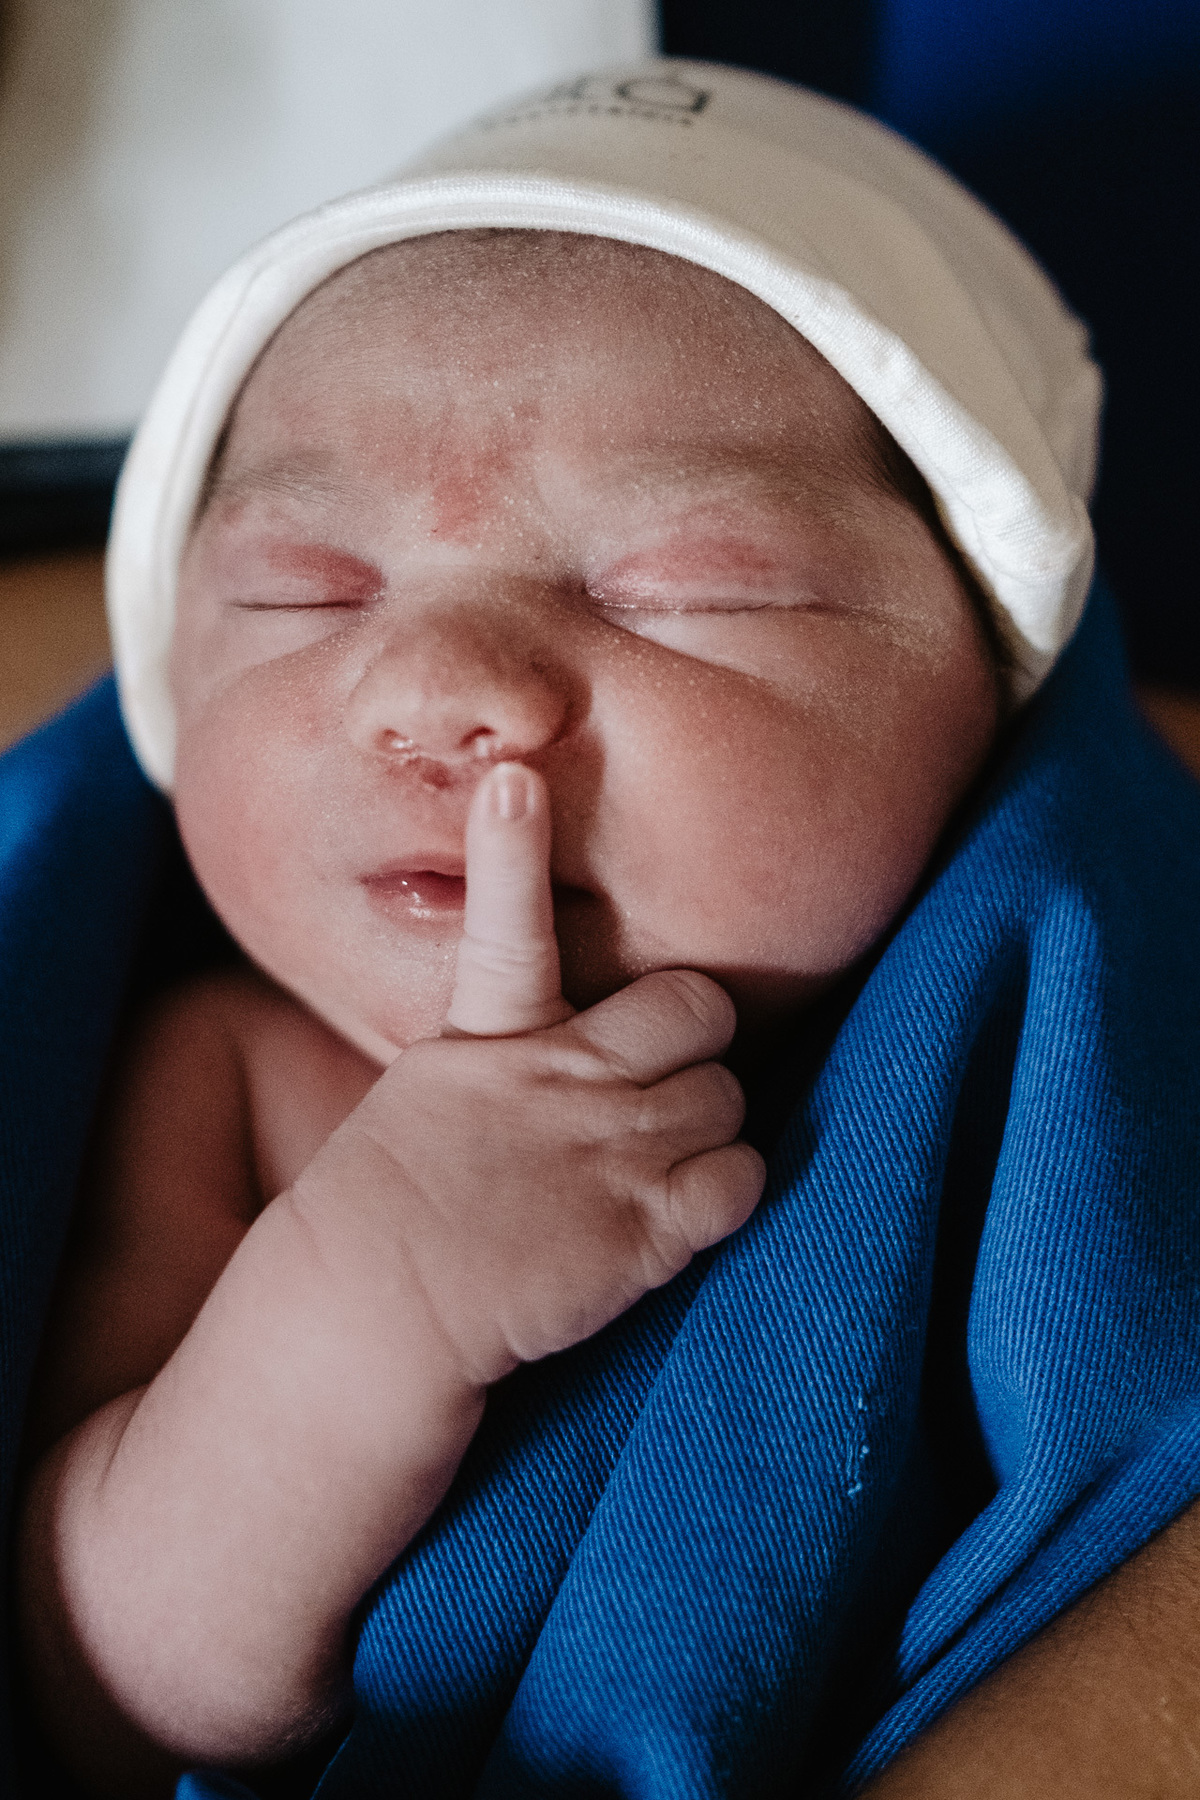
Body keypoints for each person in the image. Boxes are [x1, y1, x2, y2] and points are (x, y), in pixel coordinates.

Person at [14, 58, 1200, 1800]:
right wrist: (372, 1287)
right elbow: (93, 1677)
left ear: (990, 689)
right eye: (307, 590)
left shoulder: (1062, 1039)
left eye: (684, 588)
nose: (439, 687)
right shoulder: (235, 1078)